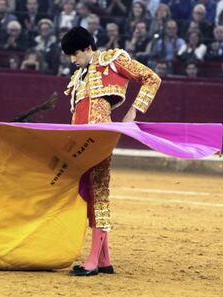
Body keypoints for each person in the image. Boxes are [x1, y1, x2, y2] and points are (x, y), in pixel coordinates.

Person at [61, 26, 161, 276]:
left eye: (75, 54)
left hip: (100, 136)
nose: (73, 60)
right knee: (90, 192)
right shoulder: (78, 76)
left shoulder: (113, 60)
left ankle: (93, 259)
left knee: (98, 190)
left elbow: (152, 78)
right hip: (80, 139)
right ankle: (104, 259)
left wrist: (133, 111)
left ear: (87, 48)